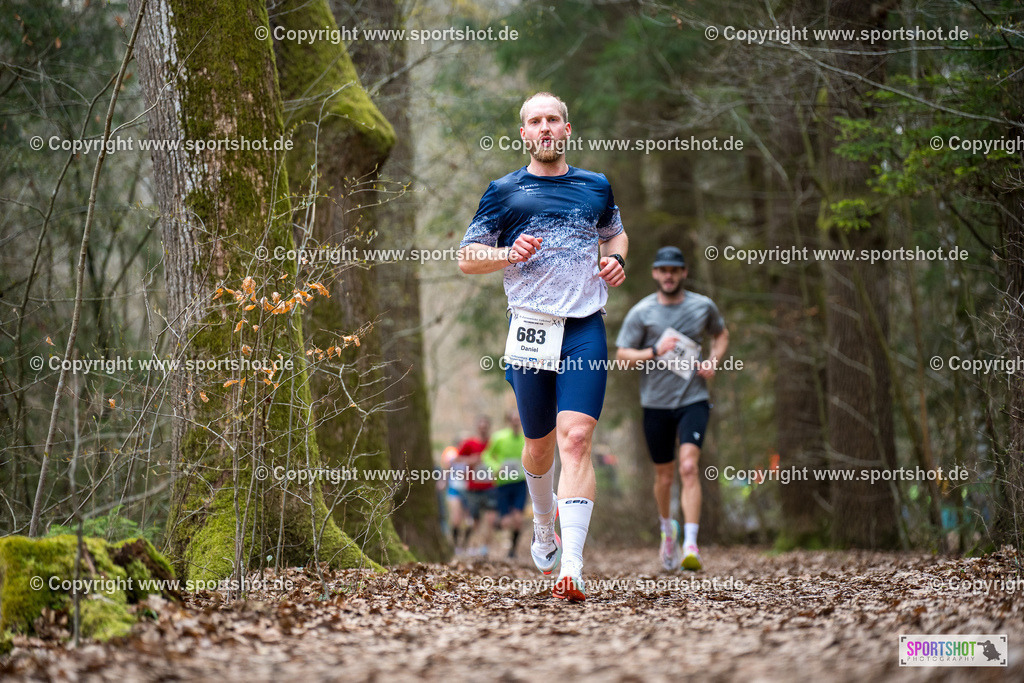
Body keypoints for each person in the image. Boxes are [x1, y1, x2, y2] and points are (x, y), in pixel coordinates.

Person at [458, 92, 628, 601]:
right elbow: (467, 258)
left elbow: (615, 236)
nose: (545, 127)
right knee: (539, 445)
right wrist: (508, 252)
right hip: (530, 328)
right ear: (524, 134)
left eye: (553, 119)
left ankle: (571, 566)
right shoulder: (505, 193)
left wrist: (617, 261)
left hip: (583, 328)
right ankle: (542, 522)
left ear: (567, 129)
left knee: (575, 438)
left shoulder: (595, 186)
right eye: (536, 121)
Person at [615, 246, 728, 571]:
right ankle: (668, 532)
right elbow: (623, 355)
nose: (668, 275)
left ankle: (691, 544)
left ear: (683, 273)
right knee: (664, 477)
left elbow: (721, 335)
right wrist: (653, 350)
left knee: (689, 467)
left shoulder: (702, 306)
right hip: (655, 404)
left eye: (674, 270)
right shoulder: (642, 312)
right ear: (654, 273)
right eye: (663, 270)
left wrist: (713, 360)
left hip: (693, 398)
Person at [482, 410, 528, 558]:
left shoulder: (526, 438)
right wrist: (495, 467)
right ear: (508, 421)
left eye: (518, 420)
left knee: (518, 519)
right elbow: (486, 455)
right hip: (503, 483)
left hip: (520, 483)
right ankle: (496, 524)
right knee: (506, 521)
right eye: (513, 419)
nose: (516, 422)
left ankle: (512, 551)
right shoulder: (499, 438)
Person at [456, 415, 497, 556]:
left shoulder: (493, 443)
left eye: (485, 426)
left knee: (491, 518)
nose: (483, 428)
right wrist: (470, 460)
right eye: (481, 425)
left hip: (490, 486)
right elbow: (456, 460)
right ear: (477, 427)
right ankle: (475, 546)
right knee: (475, 520)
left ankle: (485, 547)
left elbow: (501, 458)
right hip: (473, 487)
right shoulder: (469, 443)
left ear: (488, 427)